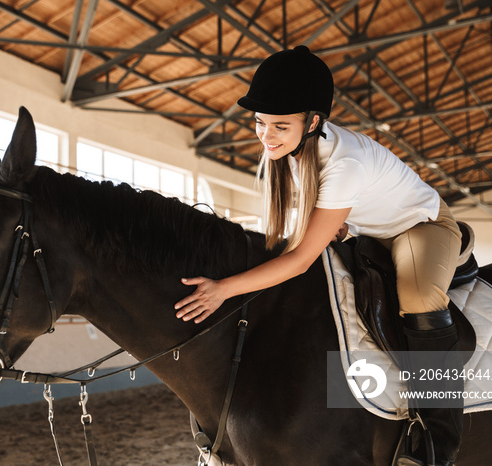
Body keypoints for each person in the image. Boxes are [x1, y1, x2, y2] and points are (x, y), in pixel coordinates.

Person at [174, 46, 464, 466]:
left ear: (313, 122)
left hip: (420, 226)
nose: (266, 136)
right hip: (368, 228)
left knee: (418, 296)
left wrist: (224, 290)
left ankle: (439, 435)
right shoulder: (286, 149)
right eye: (259, 123)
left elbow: (299, 260)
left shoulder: (345, 164)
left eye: (279, 126)